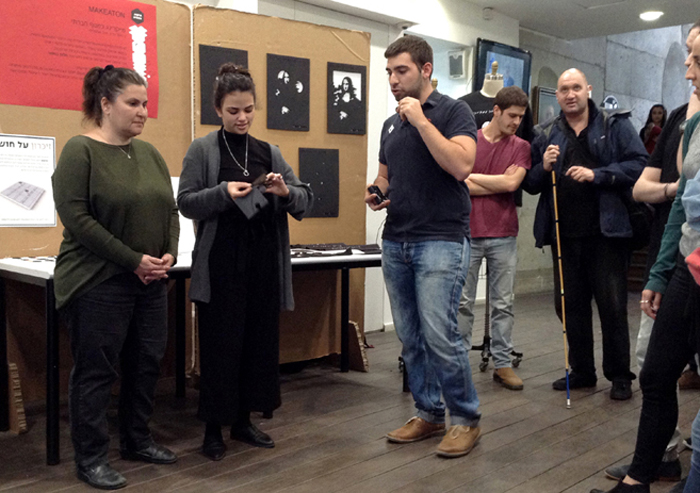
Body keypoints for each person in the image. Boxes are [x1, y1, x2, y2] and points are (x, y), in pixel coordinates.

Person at [52, 65, 180, 490]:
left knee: (146, 364)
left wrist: (168, 252)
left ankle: (137, 441)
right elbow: (78, 219)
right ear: (105, 105)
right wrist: (132, 260)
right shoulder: (80, 151)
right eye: (133, 103)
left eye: (146, 103)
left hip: (150, 281)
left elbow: (170, 210)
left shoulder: (150, 153)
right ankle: (90, 458)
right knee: (96, 371)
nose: (143, 111)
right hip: (98, 282)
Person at [177, 64, 313, 462]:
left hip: (263, 264)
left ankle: (243, 422)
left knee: (257, 345)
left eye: (249, 110)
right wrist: (223, 192)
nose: (242, 118)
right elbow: (186, 202)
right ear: (218, 109)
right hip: (221, 266)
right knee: (221, 348)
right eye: (234, 110)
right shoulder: (203, 149)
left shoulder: (269, 152)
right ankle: (212, 429)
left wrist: (285, 191)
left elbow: (303, 199)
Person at [591, 31, 700, 493]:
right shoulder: (692, 125)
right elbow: (681, 207)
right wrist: (658, 274)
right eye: (688, 56)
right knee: (655, 374)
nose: (688, 69)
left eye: (697, 59)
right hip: (688, 267)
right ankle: (638, 481)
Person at [365, 35, 481, 458]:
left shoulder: (453, 111)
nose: (393, 80)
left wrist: (421, 121)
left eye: (402, 71)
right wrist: (377, 190)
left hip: (441, 239)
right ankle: (429, 413)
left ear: (426, 69)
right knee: (411, 337)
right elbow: (385, 175)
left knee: (440, 335)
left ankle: (465, 418)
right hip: (397, 239)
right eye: (389, 72)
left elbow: (462, 165)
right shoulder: (390, 124)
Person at [522, 68, 647, 401]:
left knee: (612, 305)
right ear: (558, 95)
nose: (570, 94)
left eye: (576, 87)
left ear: (588, 89)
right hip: (564, 235)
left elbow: (640, 164)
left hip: (607, 233)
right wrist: (543, 167)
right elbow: (530, 183)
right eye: (564, 89)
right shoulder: (545, 132)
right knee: (568, 305)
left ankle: (619, 375)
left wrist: (598, 175)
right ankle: (581, 371)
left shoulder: (613, 124)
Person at [457, 86, 531, 391]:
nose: (516, 122)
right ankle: (459, 364)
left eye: (520, 117)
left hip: (503, 232)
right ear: (496, 111)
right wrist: (497, 181)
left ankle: (502, 363)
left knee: (503, 302)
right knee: (462, 302)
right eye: (512, 115)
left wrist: (473, 178)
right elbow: (458, 181)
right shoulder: (469, 141)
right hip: (468, 231)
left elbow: (512, 185)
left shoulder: (521, 146)